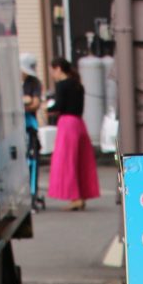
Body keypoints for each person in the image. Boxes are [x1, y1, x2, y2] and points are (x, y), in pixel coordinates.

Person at [46, 57, 100, 211]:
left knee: (66, 161)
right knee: (80, 160)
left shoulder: (62, 85)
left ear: (58, 68)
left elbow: (59, 105)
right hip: (79, 123)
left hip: (66, 124)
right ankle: (81, 195)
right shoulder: (78, 84)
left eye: (52, 71)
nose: (52, 75)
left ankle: (74, 197)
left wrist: (46, 109)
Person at [21, 54, 43, 208]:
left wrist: (24, 102)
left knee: (32, 161)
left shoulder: (34, 82)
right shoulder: (10, 79)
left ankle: (33, 195)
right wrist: (25, 100)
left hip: (30, 126)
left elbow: (35, 103)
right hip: (15, 127)